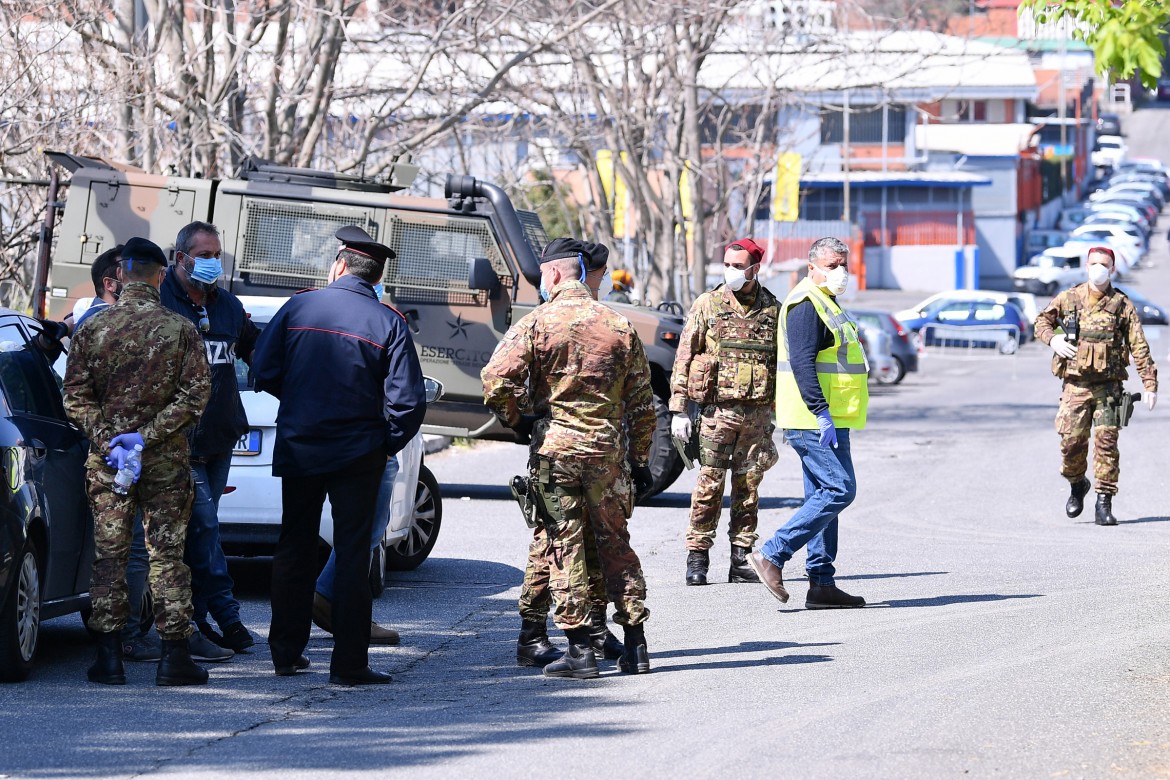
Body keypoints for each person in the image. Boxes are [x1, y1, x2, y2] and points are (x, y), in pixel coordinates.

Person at [251, 225, 425, 686]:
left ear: (339, 266)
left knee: (294, 546)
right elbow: (407, 404)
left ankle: (285, 653)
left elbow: (264, 370)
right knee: (351, 554)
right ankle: (349, 664)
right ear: (375, 277)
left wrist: (301, 406)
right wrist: (380, 441)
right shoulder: (388, 322)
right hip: (359, 454)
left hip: (301, 446)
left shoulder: (299, 306)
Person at [482, 237, 656, 679]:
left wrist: (518, 421)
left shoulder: (537, 323)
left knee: (564, 546)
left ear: (555, 273)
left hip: (557, 452)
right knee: (616, 546)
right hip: (608, 455)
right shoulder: (618, 324)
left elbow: (495, 379)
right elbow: (641, 401)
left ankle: (580, 652)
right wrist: (638, 460)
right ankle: (636, 645)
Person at [63, 237, 212, 686]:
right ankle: (174, 659)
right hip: (164, 464)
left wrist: (111, 440)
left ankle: (109, 659)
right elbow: (196, 396)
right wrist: (145, 437)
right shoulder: (180, 328)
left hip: (109, 464)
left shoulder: (92, 328)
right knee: (166, 557)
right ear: (160, 275)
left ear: (123, 274)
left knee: (109, 556)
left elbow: (74, 398)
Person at [749, 237, 868, 610]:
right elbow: (801, 363)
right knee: (839, 490)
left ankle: (821, 583)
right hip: (811, 418)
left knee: (823, 496)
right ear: (811, 267)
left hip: (830, 418)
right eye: (832, 265)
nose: (840, 272)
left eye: (844, 264)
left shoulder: (827, 302)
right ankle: (772, 553)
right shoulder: (805, 304)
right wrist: (819, 411)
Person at [159, 221, 257, 660]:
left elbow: (262, 353)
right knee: (206, 528)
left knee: (199, 535)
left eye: (217, 253)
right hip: (179, 445)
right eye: (204, 254)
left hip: (219, 442)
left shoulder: (228, 307)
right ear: (181, 259)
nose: (212, 262)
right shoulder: (162, 304)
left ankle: (197, 619)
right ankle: (227, 615)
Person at [668, 238, 779, 587]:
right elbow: (685, 356)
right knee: (708, 486)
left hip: (757, 416)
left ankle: (742, 558)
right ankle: (697, 557)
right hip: (718, 413)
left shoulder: (772, 309)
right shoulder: (709, 304)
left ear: (754, 268)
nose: (730, 270)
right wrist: (679, 409)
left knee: (748, 488)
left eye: (737, 265)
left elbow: (781, 365)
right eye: (727, 264)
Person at [1034, 246, 1158, 525]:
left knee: (1106, 445)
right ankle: (1077, 484)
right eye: (1094, 263)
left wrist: (1149, 383)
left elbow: (1139, 346)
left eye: (1104, 264)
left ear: (1112, 268)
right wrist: (1052, 339)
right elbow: (1041, 321)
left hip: (1109, 387)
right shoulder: (1070, 298)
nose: (1098, 268)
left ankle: (1104, 502)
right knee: (1070, 445)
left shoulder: (1122, 305)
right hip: (1075, 386)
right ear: (1087, 266)